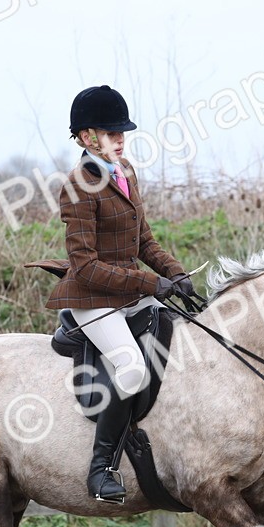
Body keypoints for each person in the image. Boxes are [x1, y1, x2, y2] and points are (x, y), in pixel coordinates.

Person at [46, 85, 194, 504]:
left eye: (122, 132)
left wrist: (175, 273)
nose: (121, 139)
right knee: (131, 368)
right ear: (88, 137)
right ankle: (102, 468)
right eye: (112, 133)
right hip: (92, 297)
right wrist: (150, 284)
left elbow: (144, 242)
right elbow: (86, 266)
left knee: (182, 340)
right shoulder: (78, 186)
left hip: (127, 292)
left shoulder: (124, 171)